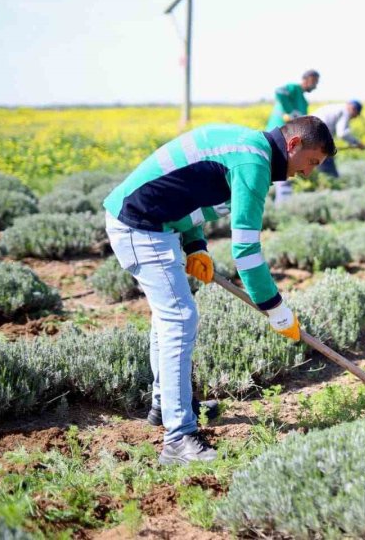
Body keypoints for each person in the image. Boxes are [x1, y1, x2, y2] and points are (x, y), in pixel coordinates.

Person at [103, 117, 335, 465]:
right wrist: (275, 308)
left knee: (169, 317)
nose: (308, 173)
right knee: (178, 319)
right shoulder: (253, 162)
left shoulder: (250, 149)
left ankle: (166, 404)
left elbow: (188, 191)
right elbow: (246, 252)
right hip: (140, 223)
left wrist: (196, 244)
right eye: (312, 162)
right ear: (294, 145)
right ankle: (178, 438)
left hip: (157, 222)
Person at [266, 70, 320, 204]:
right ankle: (281, 205)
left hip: (290, 139)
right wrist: (289, 111)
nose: (315, 86)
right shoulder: (293, 89)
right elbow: (279, 91)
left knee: (283, 171)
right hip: (280, 135)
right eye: (314, 82)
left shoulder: (303, 101)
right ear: (307, 79)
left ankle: (282, 203)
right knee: (280, 169)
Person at [312, 100, 364, 177]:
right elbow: (342, 133)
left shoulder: (338, 107)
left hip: (312, 132)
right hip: (316, 136)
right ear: (353, 109)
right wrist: (357, 142)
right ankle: (330, 181)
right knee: (329, 170)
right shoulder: (345, 112)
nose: (355, 117)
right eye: (356, 114)